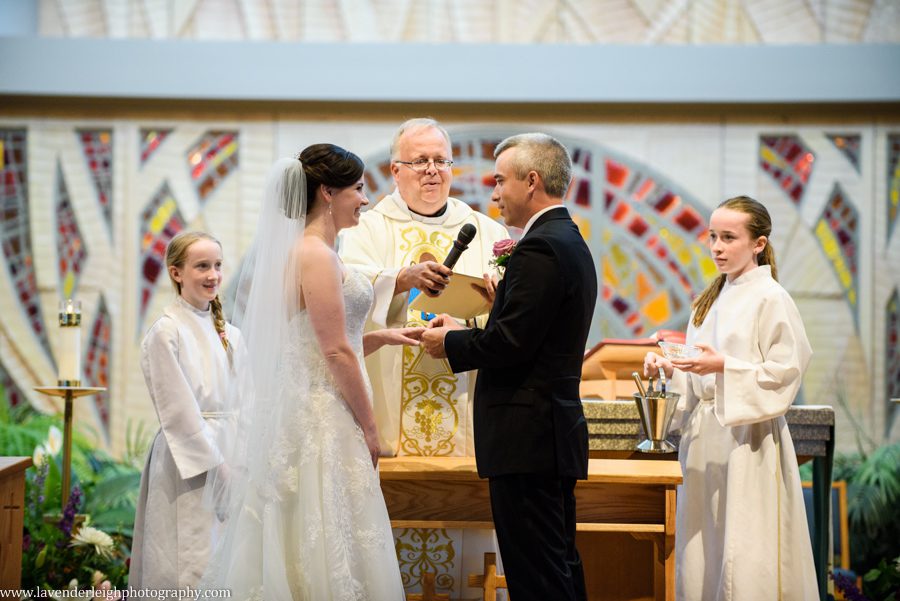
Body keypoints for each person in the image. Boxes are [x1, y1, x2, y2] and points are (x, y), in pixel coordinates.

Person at [201, 146, 420, 599]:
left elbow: (311, 342)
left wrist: (380, 339)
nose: (364, 199)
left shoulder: (315, 251)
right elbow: (335, 352)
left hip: (312, 405)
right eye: (358, 188)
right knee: (323, 535)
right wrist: (371, 426)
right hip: (323, 417)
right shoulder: (315, 254)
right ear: (327, 192)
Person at [421, 133, 597, 601]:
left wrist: (449, 342)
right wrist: (489, 314)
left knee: (536, 577)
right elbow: (532, 332)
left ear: (532, 181)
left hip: (527, 437)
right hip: (546, 434)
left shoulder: (540, 247)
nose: (494, 193)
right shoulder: (566, 239)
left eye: (500, 181)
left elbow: (511, 344)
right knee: (556, 566)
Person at [643, 195, 817, 601]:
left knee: (745, 549)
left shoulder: (770, 297)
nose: (717, 247)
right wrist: (671, 367)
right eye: (712, 237)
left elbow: (786, 370)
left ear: (758, 243)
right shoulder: (711, 298)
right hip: (705, 440)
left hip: (747, 440)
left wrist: (724, 367)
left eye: (729, 237)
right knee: (703, 550)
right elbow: (698, 369)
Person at [339, 117, 509, 459]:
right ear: (395, 170)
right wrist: (401, 279)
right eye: (419, 161)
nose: (432, 170)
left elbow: (512, 322)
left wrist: (496, 302)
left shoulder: (487, 231)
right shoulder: (367, 228)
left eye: (441, 160)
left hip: (466, 403)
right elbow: (346, 293)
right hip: (389, 411)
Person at [129, 231, 242, 589]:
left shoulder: (232, 335)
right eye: (202, 266)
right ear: (176, 273)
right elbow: (177, 410)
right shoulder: (166, 332)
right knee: (186, 563)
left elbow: (249, 401)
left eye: (218, 266)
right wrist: (218, 466)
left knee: (228, 562)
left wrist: (242, 457)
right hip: (188, 462)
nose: (213, 275)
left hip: (233, 453)